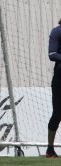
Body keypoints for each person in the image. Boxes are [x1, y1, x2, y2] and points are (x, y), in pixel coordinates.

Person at [46, 18, 61, 158]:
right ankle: (50, 149)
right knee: (57, 114)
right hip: (59, 80)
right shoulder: (57, 32)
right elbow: (52, 54)